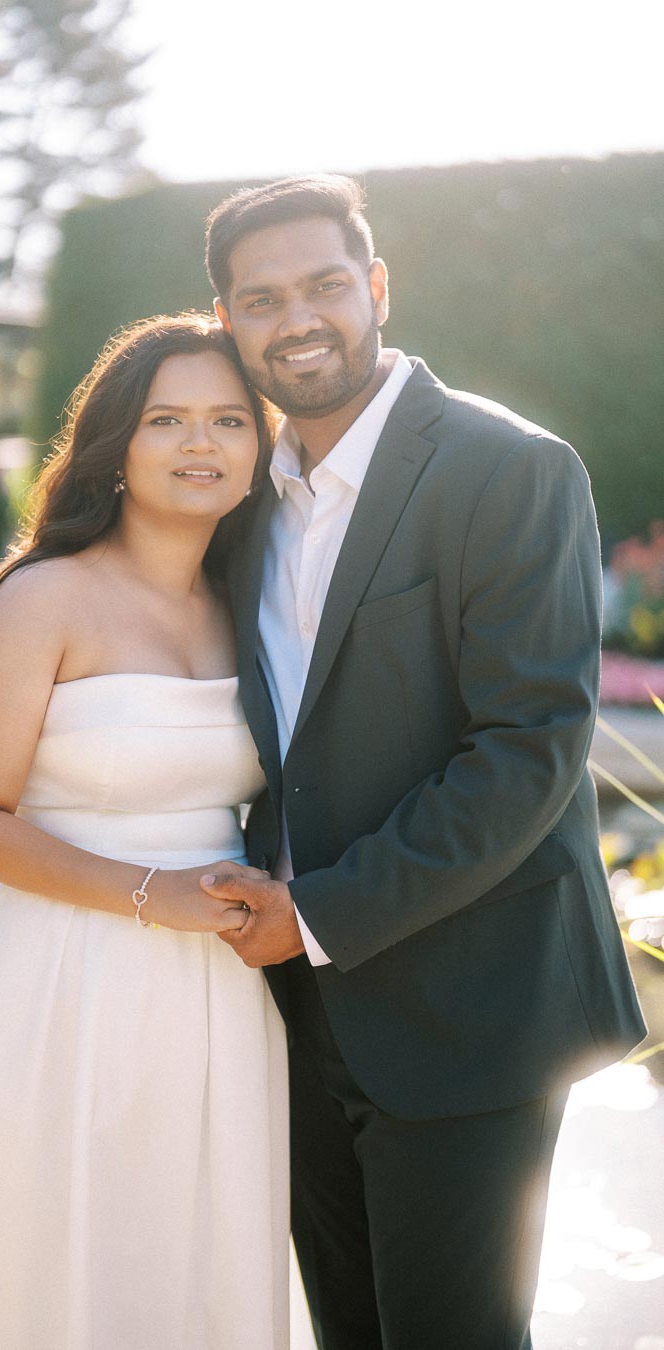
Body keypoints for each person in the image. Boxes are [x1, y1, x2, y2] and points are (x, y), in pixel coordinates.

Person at [198, 176, 647, 1350]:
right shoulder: (242, 500)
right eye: (262, 298)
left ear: (378, 287)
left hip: (468, 1010)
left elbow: (528, 752)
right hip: (289, 1016)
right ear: (229, 322)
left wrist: (319, 913)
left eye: (325, 285)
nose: (298, 318)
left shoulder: (511, 470)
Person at [0, 314, 291, 1350]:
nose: (201, 444)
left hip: (216, 989)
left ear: (259, 445)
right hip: (53, 976)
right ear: (117, 445)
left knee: (188, 1269)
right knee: (49, 1273)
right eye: (168, 420)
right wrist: (156, 896)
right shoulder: (41, 596)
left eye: (229, 420)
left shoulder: (255, 605)